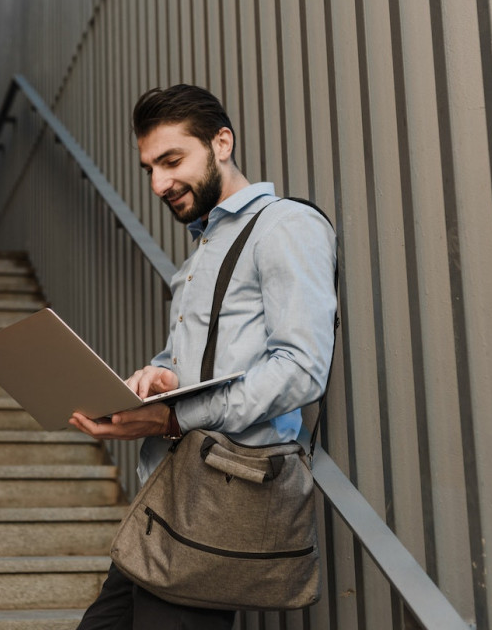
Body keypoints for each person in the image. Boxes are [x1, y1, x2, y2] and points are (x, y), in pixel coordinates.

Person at [68, 84, 338, 629]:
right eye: (149, 168)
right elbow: (195, 361)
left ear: (221, 142)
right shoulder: (204, 247)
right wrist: (159, 376)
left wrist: (174, 416)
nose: (158, 183)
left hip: (220, 499)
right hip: (170, 497)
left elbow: (300, 367)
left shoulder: (284, 226)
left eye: (171, 161)